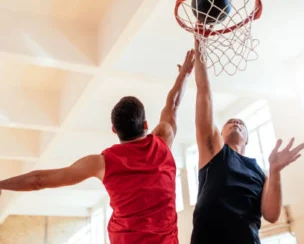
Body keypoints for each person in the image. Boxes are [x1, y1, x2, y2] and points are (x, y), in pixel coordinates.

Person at [0, 50, 195, 244]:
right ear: (145, 125)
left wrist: (1, 184)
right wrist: (183, 76)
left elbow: (38, 180)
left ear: (113, 129)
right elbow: (174, 103)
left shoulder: (102, 163)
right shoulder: (163, 140)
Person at [191, 38, 304, 244]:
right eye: (230, 122)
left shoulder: (260, 171)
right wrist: (199, 42)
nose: (235, 122)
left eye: (241, 123)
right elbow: (204, 94)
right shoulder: (213, 152)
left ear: (248, 138)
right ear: (221, 133)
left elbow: (271, 214)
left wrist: (275, 170)